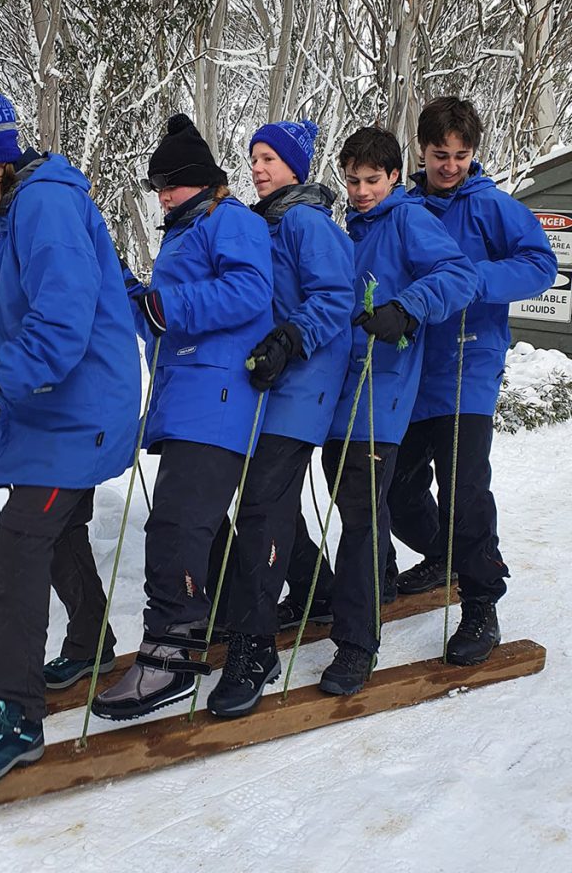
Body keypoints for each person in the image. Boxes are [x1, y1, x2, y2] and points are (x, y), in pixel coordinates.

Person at [0, 60, 141, 782]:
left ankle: (16, 716)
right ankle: (91, 643)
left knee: (20, 543)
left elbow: (62, 320)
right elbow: (29, 315)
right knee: (56, 532)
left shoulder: (44, 205)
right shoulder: (27, 208)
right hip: (64, 404)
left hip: (79, 410)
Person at [91, 113, 274, 721]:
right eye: (158, 186)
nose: (162, 195)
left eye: (171, 184)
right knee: (198, 525)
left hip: (220, 396)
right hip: (186, 396)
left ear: (202, 181)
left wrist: (167, 304)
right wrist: (132, 294)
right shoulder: (184, 232)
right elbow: (168, 318)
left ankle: (171, 653)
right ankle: (225, 625)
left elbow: (250, 292)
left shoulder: (233, 220)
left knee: (174, 525)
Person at [297, 126, 477, 696]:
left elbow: (459, 274)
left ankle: (356, 643)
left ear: (395, 176)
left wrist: (408, 306)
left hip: (384, 386)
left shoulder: (408, 219)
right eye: (352, 180)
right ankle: (375, 589)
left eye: (372, 180)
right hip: (338, 387)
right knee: (350, 500)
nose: (360, 190)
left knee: (358, 507)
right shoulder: (350, 227)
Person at [386, 97, 557, 664]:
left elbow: (540, 264)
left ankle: (482, 604)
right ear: (421, 151)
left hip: (469, 365)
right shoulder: (403, 206)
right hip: (413, 368)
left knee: (464, 492)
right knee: (397, 488)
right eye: (441, 154)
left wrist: (471, 280)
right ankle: (444, 557)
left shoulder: (492, 207)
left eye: (461, 155)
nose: (451, 165)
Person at [205, 119, 355, 719]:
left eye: (270, 158)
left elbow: (334, 298)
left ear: (295, 166)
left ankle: (254, 646)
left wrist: (291, 340)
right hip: (266, 382)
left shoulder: (305, 221)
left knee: (263, 507)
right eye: (253, 157)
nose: (259, 167)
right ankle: (316, 587)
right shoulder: (261, 222)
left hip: (304, 382)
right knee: (267, 500)